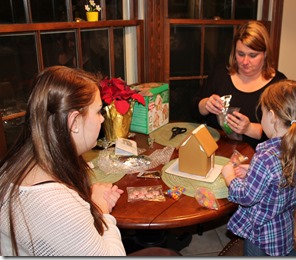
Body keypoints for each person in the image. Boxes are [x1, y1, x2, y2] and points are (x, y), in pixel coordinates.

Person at [0, 66, 180, 256]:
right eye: (98, 111)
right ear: (74, 122)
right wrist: (101, 211)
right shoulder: (58, 206)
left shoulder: (11, 166)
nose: (102, 119)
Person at [221, 79, 296, 256]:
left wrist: (229, 177)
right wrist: (253, 171)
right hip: (282, 228)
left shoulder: (264, 156)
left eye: (261, 113)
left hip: (260, 236)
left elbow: (246, 197)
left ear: (272, 116)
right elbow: (278, 177)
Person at [191, 21, 287, 150]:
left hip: (256, 159)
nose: (245, 61)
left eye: (253, 55)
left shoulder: (279, 85)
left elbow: (284, 134)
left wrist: (249, 129)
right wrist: (205, 105)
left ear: (265, 54)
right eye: (240, 54)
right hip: (214, 150)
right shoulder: (221, 73)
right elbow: (193, 111)